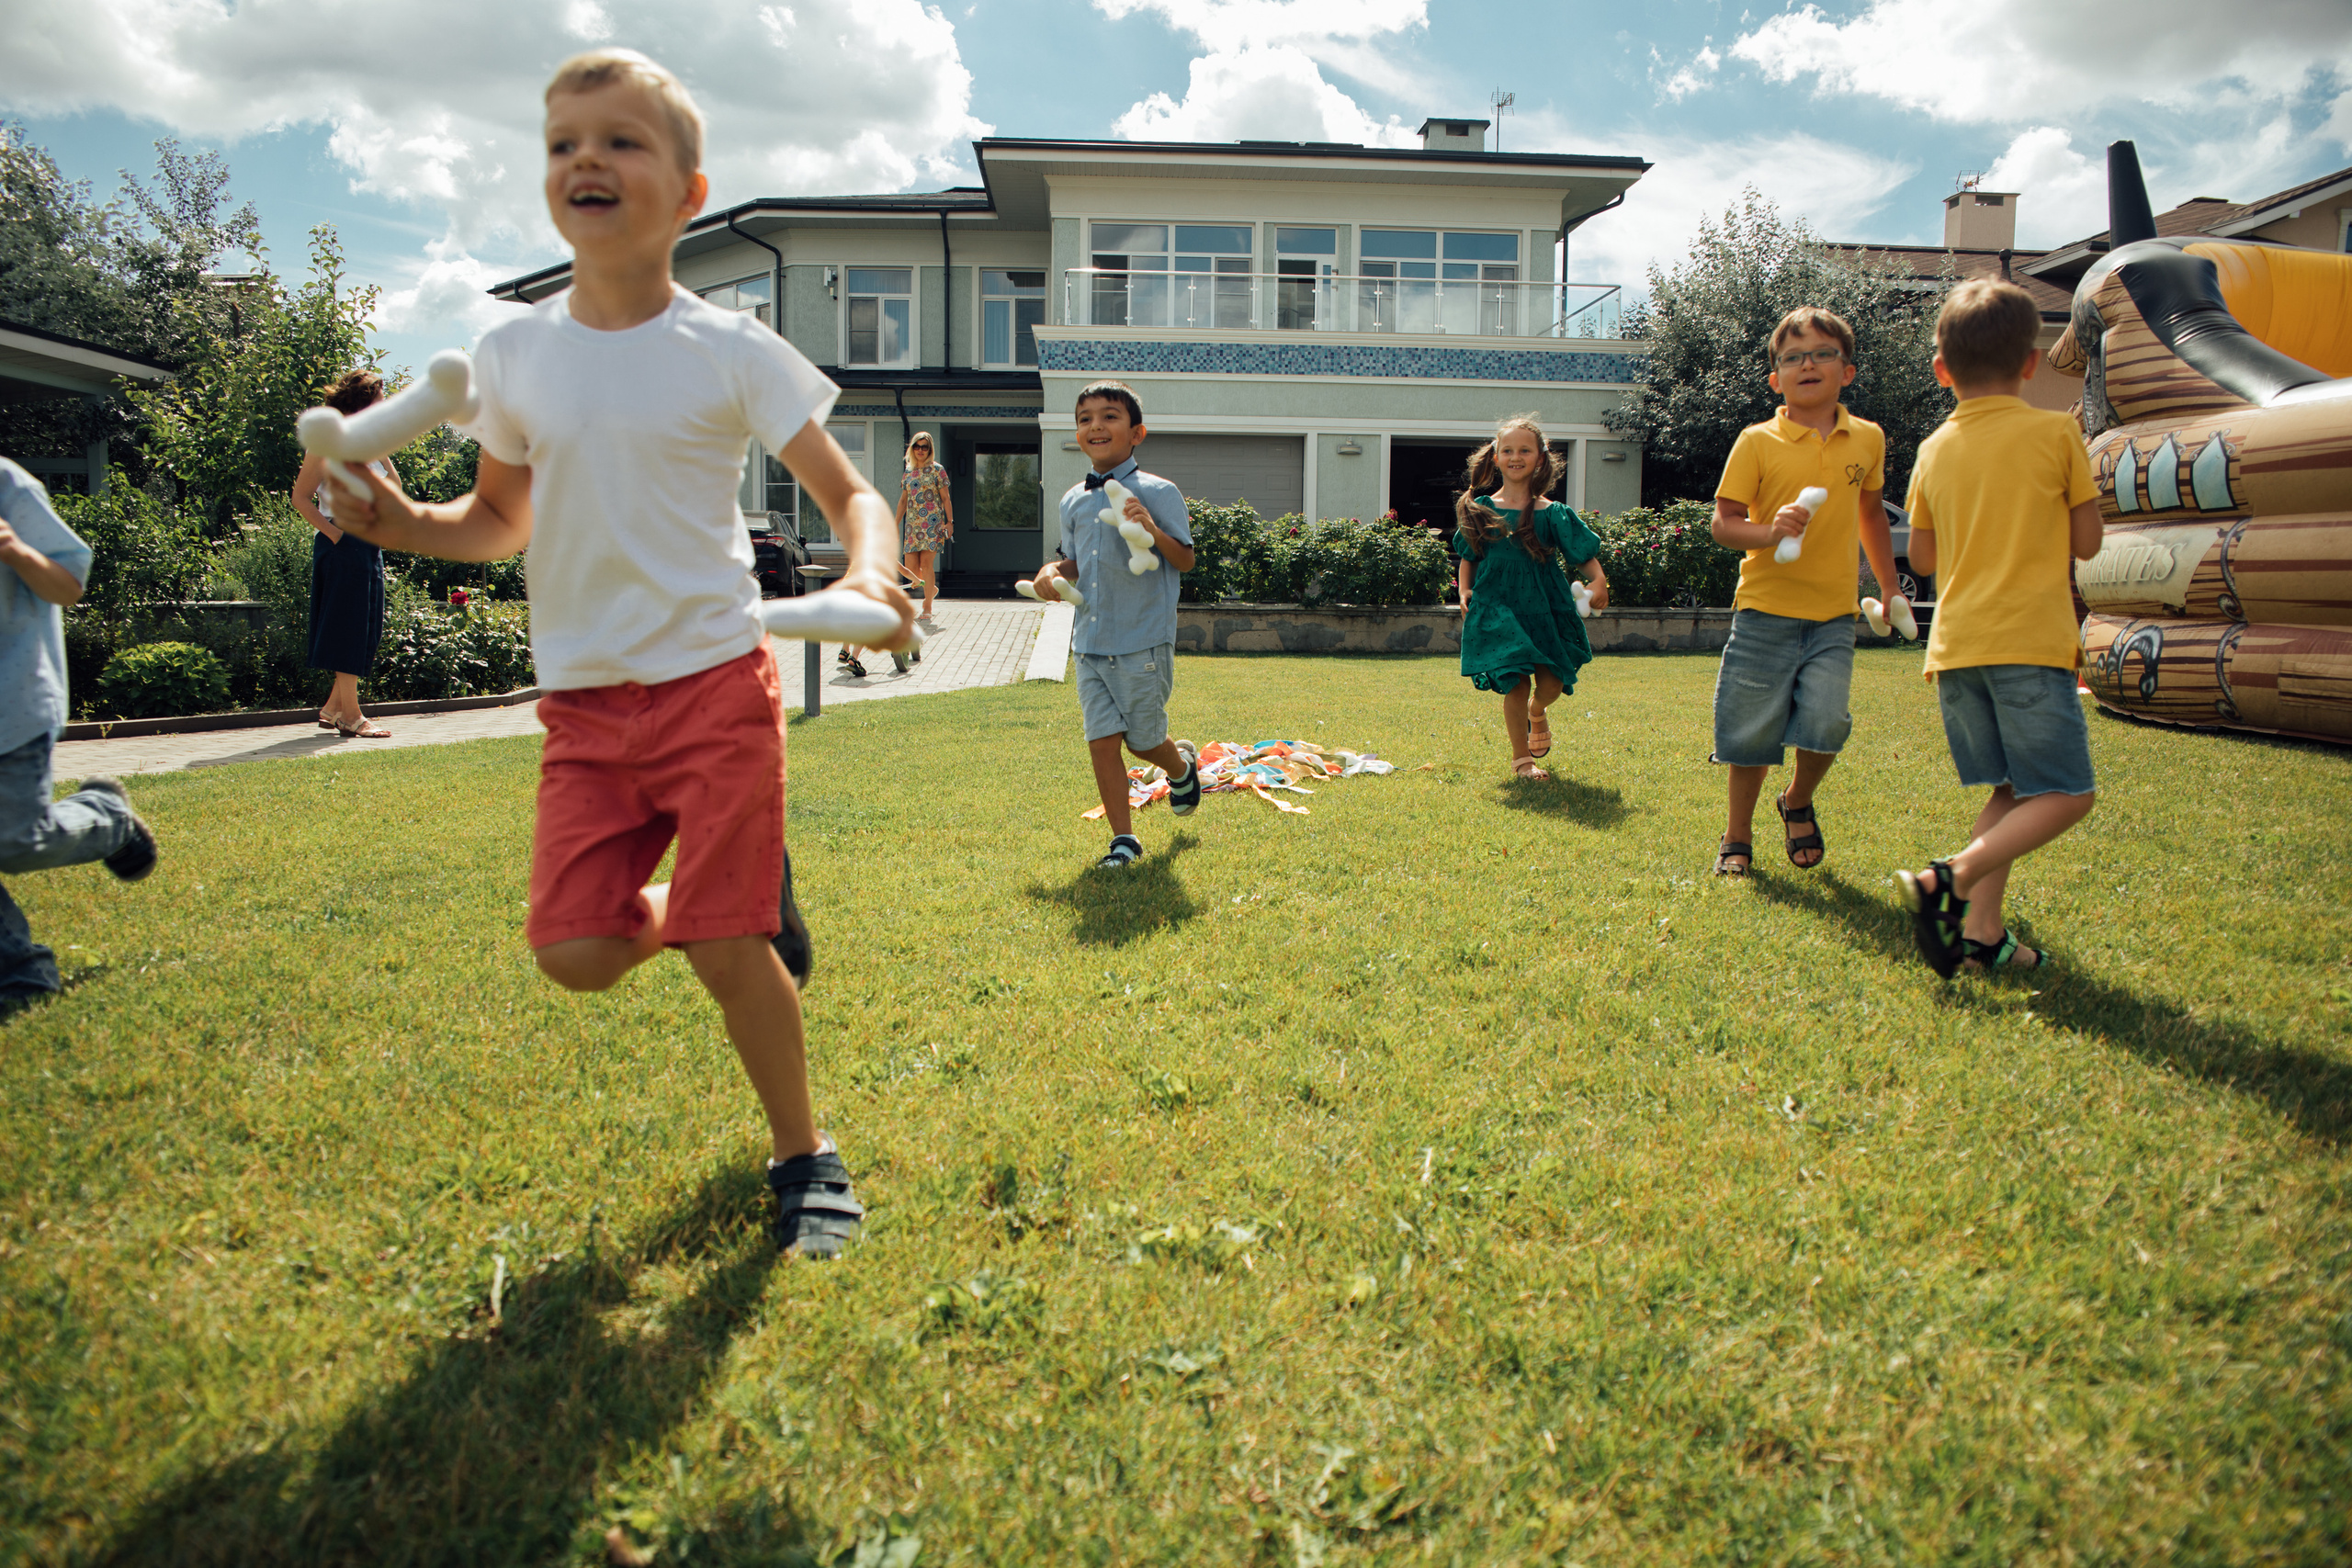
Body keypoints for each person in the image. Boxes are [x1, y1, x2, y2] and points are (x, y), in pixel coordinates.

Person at [327, 48, 913, 1258]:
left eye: (621, 140)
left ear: (689, 191)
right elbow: (495, 519)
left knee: (722, 945)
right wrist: (390, 518)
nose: (586, 159)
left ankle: (803, 1153)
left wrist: (872, 568)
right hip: (586, 708)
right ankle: (724, 900)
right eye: (562, 143)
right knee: (579, 952)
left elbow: (854, 493)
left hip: (712, 679)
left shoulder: (731, 347)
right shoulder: (511, 358)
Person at [1894, 279, 2102, 976]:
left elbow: (1920, 556)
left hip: (1955, 650)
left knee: (2012, 790)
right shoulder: (2056, 431)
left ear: (1941, 370)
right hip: (2029, 642)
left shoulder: (1931, 449)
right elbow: (2089, 541)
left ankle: (1983, 934)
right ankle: (1946, 879)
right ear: (2031, 362)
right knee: (2069, 792)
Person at [1706, 307, 1904, 874]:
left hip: (1833, 615)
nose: (1807, 364)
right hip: (1764, 611)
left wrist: (1890, 587)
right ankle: (1736, 838)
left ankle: (1795, 799)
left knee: (1825, 722)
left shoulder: (1867, 438)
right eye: (1792, 357)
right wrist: (1769, 533)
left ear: (1848, 370)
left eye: (1822, 354)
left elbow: (1871, 514)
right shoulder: (1757, 441)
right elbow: (1724, 523)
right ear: (1776, 378)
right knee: (1750, 732)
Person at [0, 459, 158, 1002]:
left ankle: (106, 817)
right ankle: (19, 973)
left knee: (14, 843)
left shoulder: (7, 484)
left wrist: (14, 549)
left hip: (11, 702)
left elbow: (68, 585)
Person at [1027, 380, 1199, 869]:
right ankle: (1124, 840)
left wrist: (1152, 530)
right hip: (1090, 643)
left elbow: (1184, 560)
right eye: (1085, 419)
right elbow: (1073, 562)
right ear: (1077, 434)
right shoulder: (1072, 501)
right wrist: (1050, 572)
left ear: (1136, 432)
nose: (1096, 426)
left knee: (1143, 741)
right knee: (1101, 743)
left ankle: (1181, 767)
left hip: (1142, 639)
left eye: (1109, 416)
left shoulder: (1160, 492)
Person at [1451, 413, 1609, 780]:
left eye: (1525, 450)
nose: (1516, 456)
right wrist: (1464, 590)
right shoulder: (1482, 509)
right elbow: (1469, 557)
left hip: (1543, 605)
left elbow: (1583, 557)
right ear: (1495, 457)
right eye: (1508, 450)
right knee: (1516, 681)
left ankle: (1537, 712)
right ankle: (1522, 761)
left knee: (1552, 683)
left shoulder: (1552, 514)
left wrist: (1598, 581)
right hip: (1499, 604)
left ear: (1540, 457)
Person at [288, 370, 401, 738]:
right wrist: (336, 534)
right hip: (343, 541)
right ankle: (352, 716)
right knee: (348, 626)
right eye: (380, 400)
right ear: (361, 403)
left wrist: (382, 456)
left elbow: (394, 489)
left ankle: (333, 707)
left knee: (367, 627)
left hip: (368, 543)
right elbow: (300, 499)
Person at [895, 431, 950, 623]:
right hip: (912, 526)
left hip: (932, 524)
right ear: (912, 448)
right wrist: (894, 524)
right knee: (911, 569)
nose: (920, 450)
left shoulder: (937, 469)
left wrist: (949, 522)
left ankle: (927, 606)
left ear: (930, 450)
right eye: (916, 446)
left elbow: (945, 498)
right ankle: (931, 588)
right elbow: (903, 501)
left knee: (926, 565)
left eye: (924, 447)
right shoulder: (908, 471)